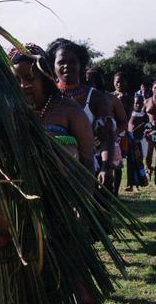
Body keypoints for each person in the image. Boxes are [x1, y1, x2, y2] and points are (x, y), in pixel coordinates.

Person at [8, 44, 94, 170]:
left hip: (68, 187)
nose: (23, 85)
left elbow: (87, 161)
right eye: (17, 80)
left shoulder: (68, 109)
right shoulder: (10, 113)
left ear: (44, 77)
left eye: (29, 78)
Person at [46, 39, 115, 191]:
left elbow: (107, 136)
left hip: (90, 171)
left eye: (72, 61)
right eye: (61, 62)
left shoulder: (96, 97)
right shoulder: (47, 98)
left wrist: (105, 167)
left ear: (81, 65)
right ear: (53, 66)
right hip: (53, 173)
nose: (67, 66)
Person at [125, 94, 149, 190]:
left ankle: (138, 184)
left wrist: (147, 128)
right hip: (130, 142)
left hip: (140, 142)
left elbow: (148, 125)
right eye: (136, 103)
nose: (138, 105)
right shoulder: (129, 114)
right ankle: (130, 184)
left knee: (138, 163)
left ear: (143, 103)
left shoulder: (144, 115)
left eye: (140, 103)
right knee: (130, 163)